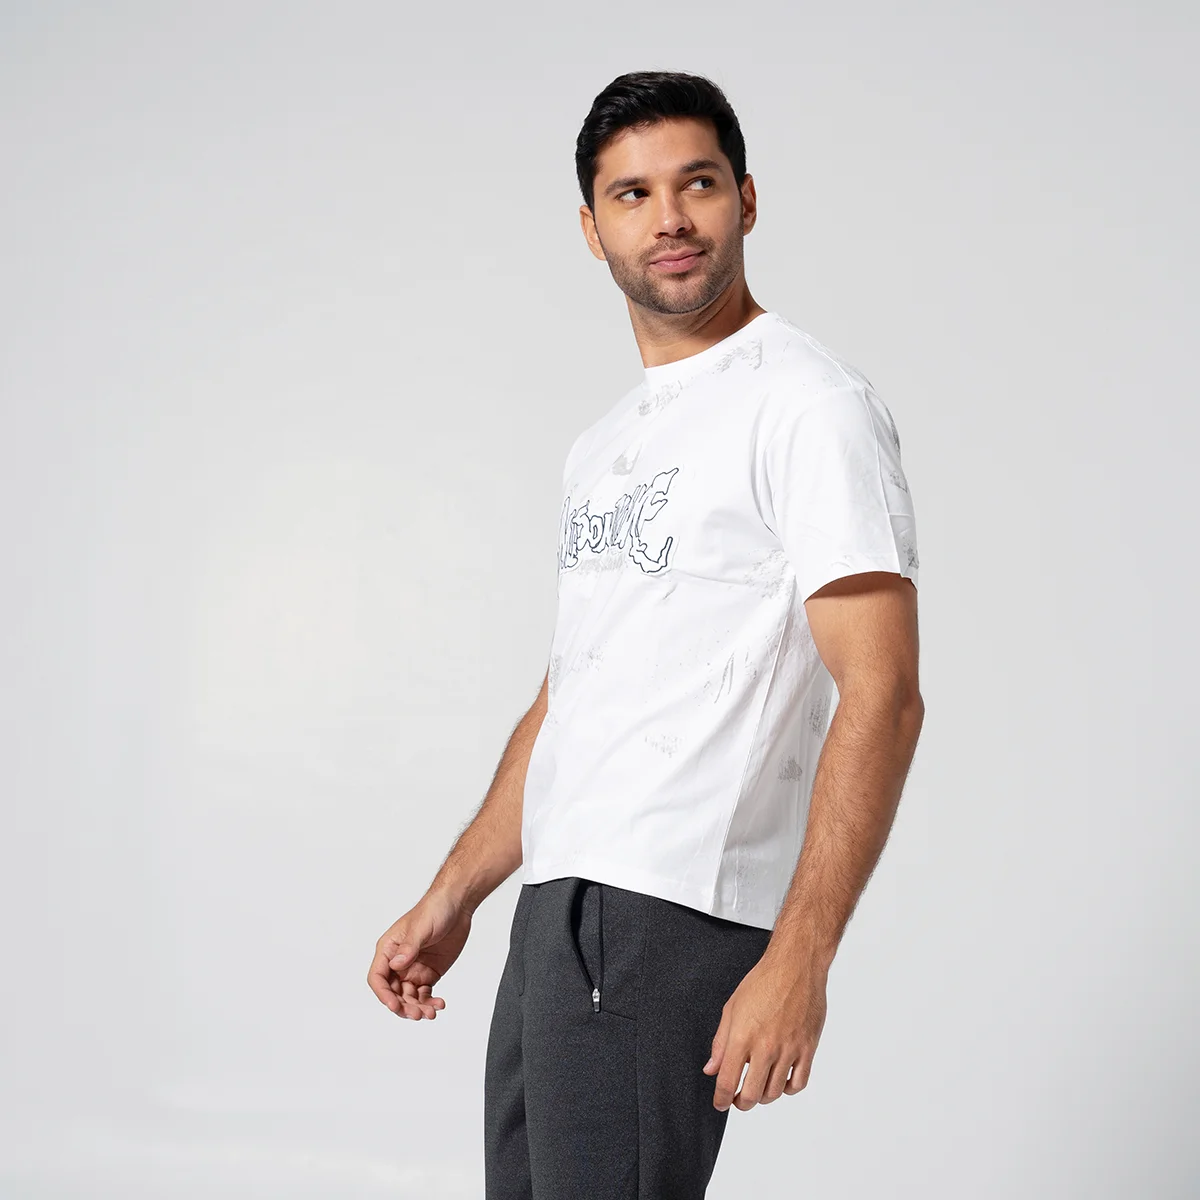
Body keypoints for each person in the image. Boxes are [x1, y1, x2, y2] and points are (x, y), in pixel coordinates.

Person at [368, 69, 924, 1198]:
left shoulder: (807, 405)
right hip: (557, 908)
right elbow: (572, 695)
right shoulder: (605, 444)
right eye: (632, 195)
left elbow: (883, 692)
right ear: (592, 228)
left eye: (697, 184)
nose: (668, 218)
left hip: (668, 909)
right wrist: (456, 892)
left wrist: (802, 955)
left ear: (746, 200)